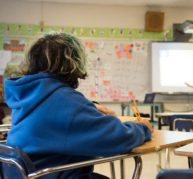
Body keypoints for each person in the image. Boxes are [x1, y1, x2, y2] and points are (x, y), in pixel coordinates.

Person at [4, 33, 152, 179]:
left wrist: (89, 109)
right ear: (73, 63)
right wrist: (143, 128)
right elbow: (118, 139)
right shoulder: (65, 101)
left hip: (32, 173)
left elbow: (54, 120)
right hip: (55, 174)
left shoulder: (27, 95)